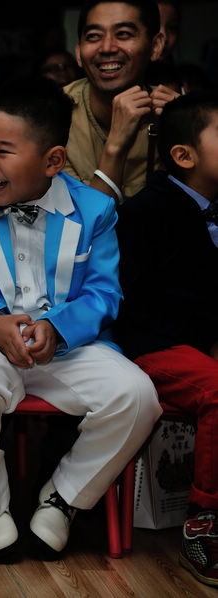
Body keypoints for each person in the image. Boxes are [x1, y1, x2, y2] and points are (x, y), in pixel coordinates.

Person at [0, 78, 161, 562]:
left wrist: (58, 328)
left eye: (4, 151)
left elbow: (104, 292)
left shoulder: (95, 210)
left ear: (53, 161)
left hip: (64, 345)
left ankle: (64, 498)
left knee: (138, 397)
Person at [114, 91, 218, 588]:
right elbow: (138, 303)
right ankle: (204, 528)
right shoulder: (146, 213)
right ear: (183, 155)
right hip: (154, 347)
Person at [64, 0, 177, 203]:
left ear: (155, 46)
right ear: (79, 52)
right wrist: (115, 146)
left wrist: (185, 133)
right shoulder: (53, 115)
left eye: (123, 34)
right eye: (94, 36)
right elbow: (81, 221)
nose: (107, 48)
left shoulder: (174, 113)